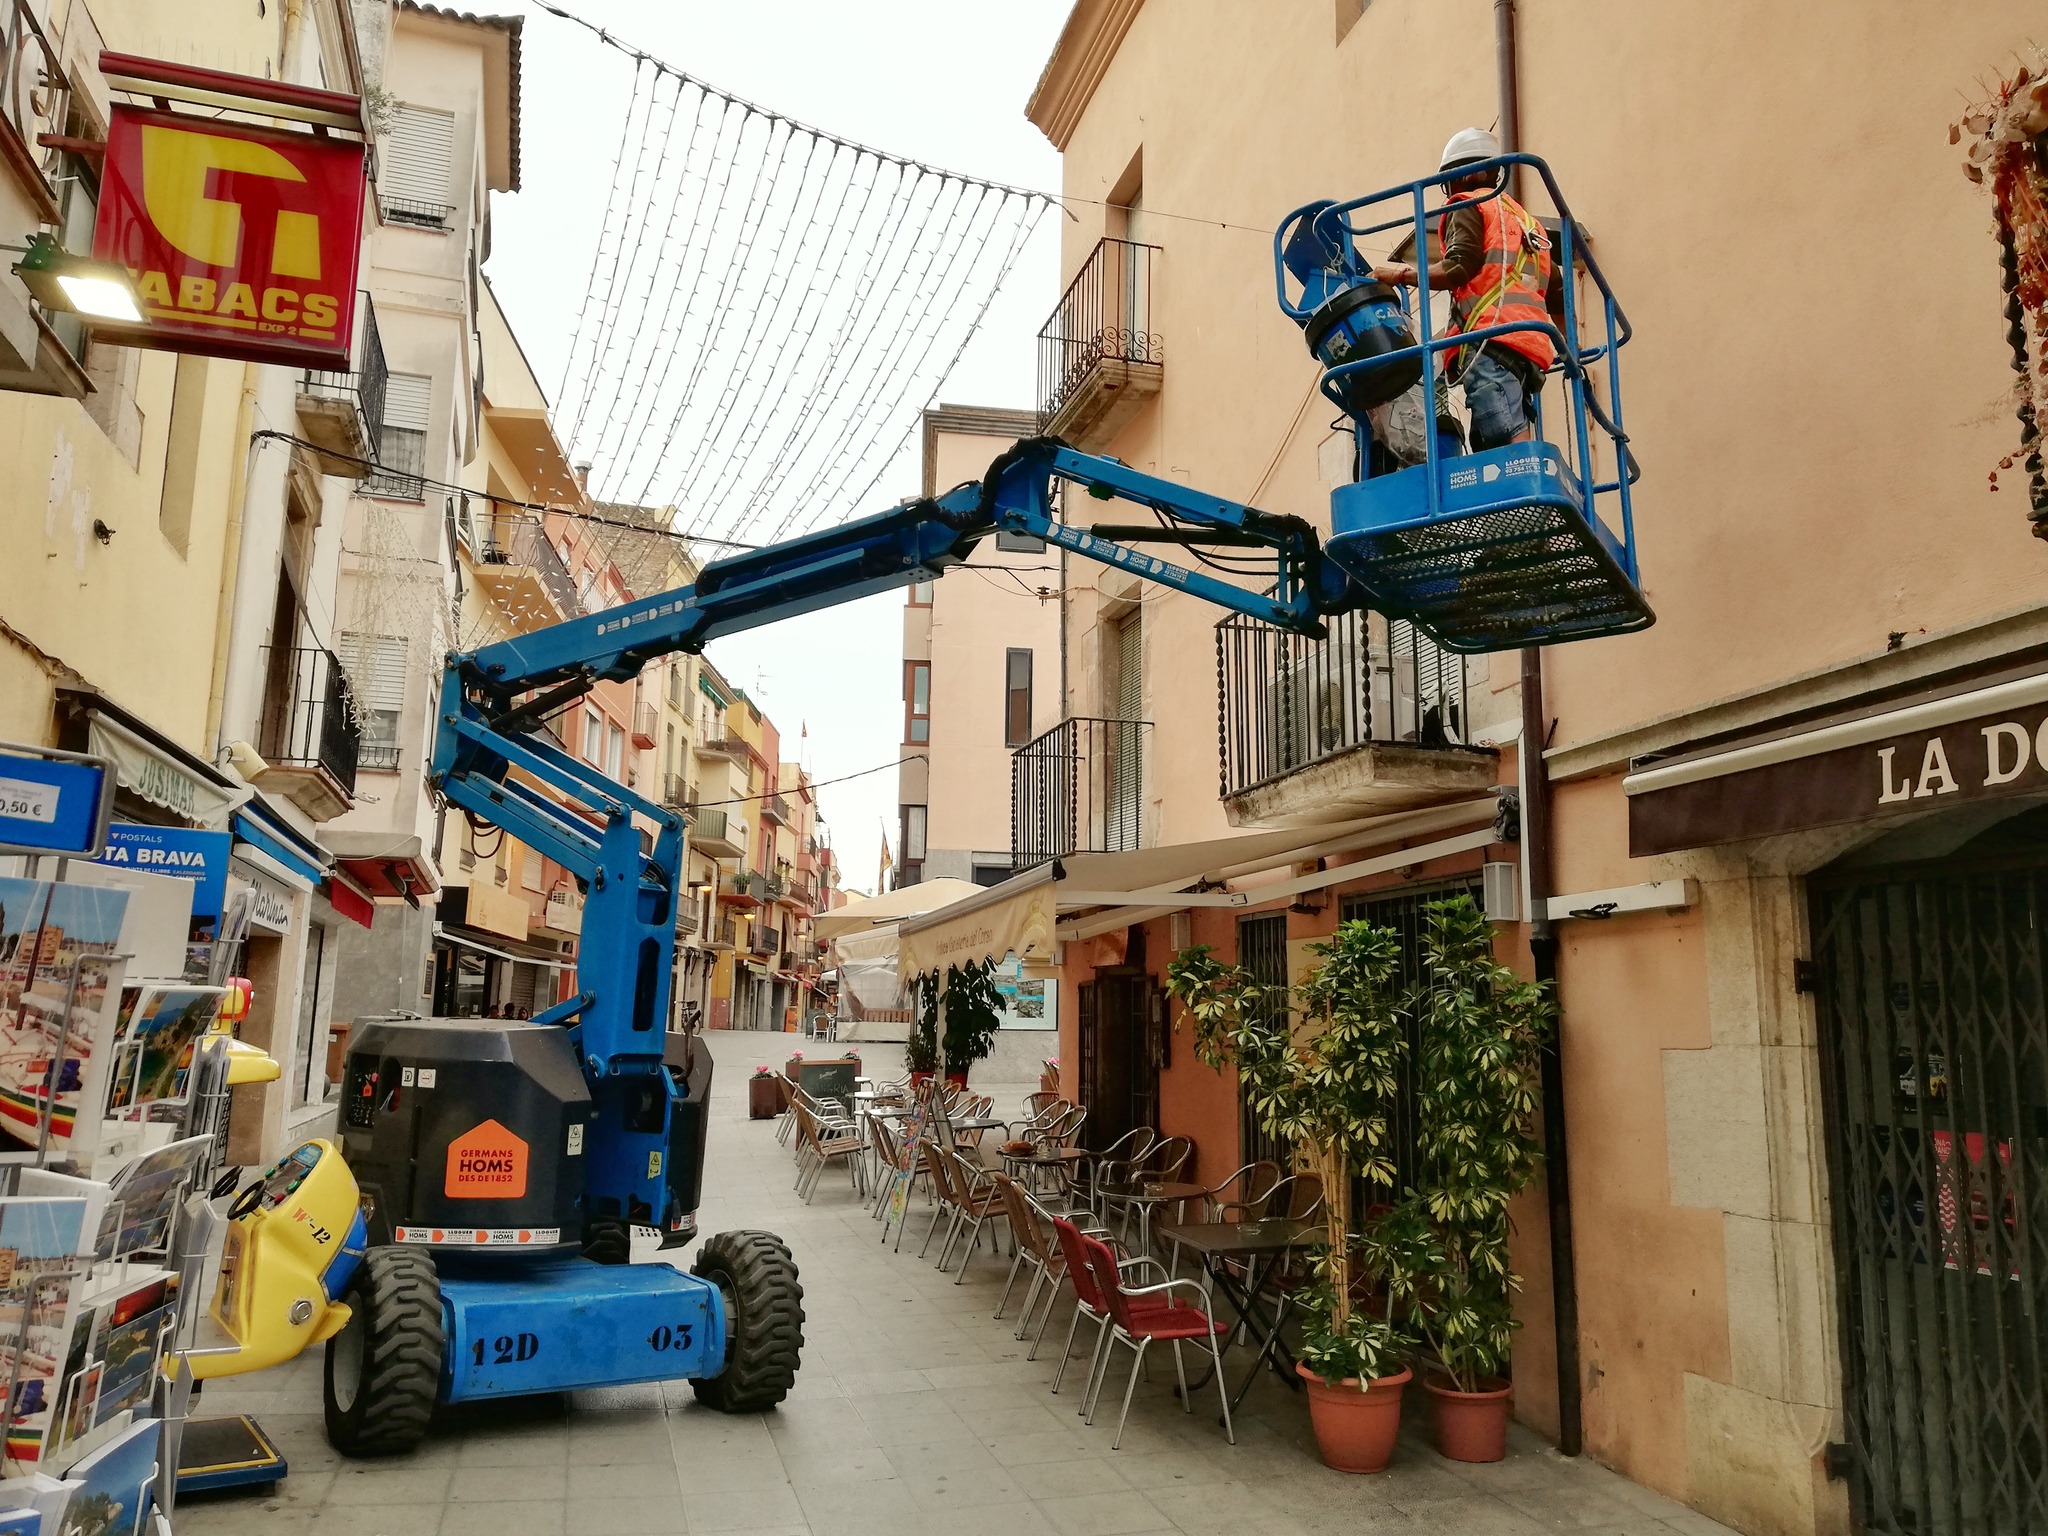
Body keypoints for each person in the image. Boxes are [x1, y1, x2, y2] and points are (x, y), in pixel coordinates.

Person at [1370, 127, 1564, 451]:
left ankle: (1523, 481)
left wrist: (1400, 274)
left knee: (1499, 430)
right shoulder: (1525, 222)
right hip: (1529, 346)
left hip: (1491, 339)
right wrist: (1571, 352)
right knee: (1497, 431)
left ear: (1456, 177)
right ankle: (1524, 477)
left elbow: (1459, 267)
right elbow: (1556, 288)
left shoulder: (1469, 205)